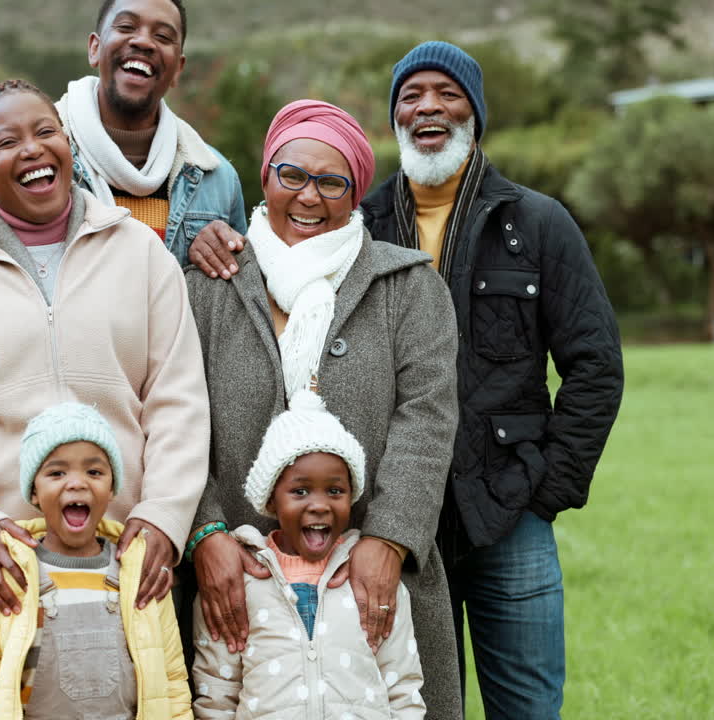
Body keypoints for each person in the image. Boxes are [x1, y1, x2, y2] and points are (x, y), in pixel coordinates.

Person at [188, 42, 625, 720]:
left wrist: (546, 489)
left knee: (521, 703)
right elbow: (185, 410)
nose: (429, 107)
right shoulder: (316, 237)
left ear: (476, 113)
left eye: (447, 94)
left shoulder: (531, 224)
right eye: (411, 95)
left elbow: (587, 367)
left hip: (494, 507)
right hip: (313, 540)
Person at [0, 78, 209, 707]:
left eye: (46, 132)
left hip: (121, 571)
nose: (33, 150)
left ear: (69, 145)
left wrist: (161, 520)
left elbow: (179, 400)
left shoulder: (140, 254)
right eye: (8, 142)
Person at [184, 99, 463, 720]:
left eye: (331, 181)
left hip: (371, 578)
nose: (308, 197)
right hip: (236, 581)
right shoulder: (207, 283)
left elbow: (427, 420)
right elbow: (173, 422)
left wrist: (388, 541)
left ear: (356, 191)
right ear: (265, 177)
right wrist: (206, 535)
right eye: (292, 175)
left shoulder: (408, 287)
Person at [0, 0, 245, 276]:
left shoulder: (216, 178)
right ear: (95, 48)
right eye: (126, 27)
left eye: (163, 36)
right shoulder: (36, 158)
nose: (142, 41)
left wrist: (228, 255)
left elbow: (241, 301)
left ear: (178, 69)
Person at [0, 402, 192, 719]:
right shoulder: (7, 571)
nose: (77, 483)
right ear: (34, 492)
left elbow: (171, 681)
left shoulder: (137, 572)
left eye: (94, 471)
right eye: (57, 472)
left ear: (112, 487)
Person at [192, 390, 425, 719]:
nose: (319, 504)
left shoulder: (374, 586)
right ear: (272, 501)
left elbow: (402, 687)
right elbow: (217, 691)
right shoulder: (239, 585)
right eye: (300, 491)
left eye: (335, 490)